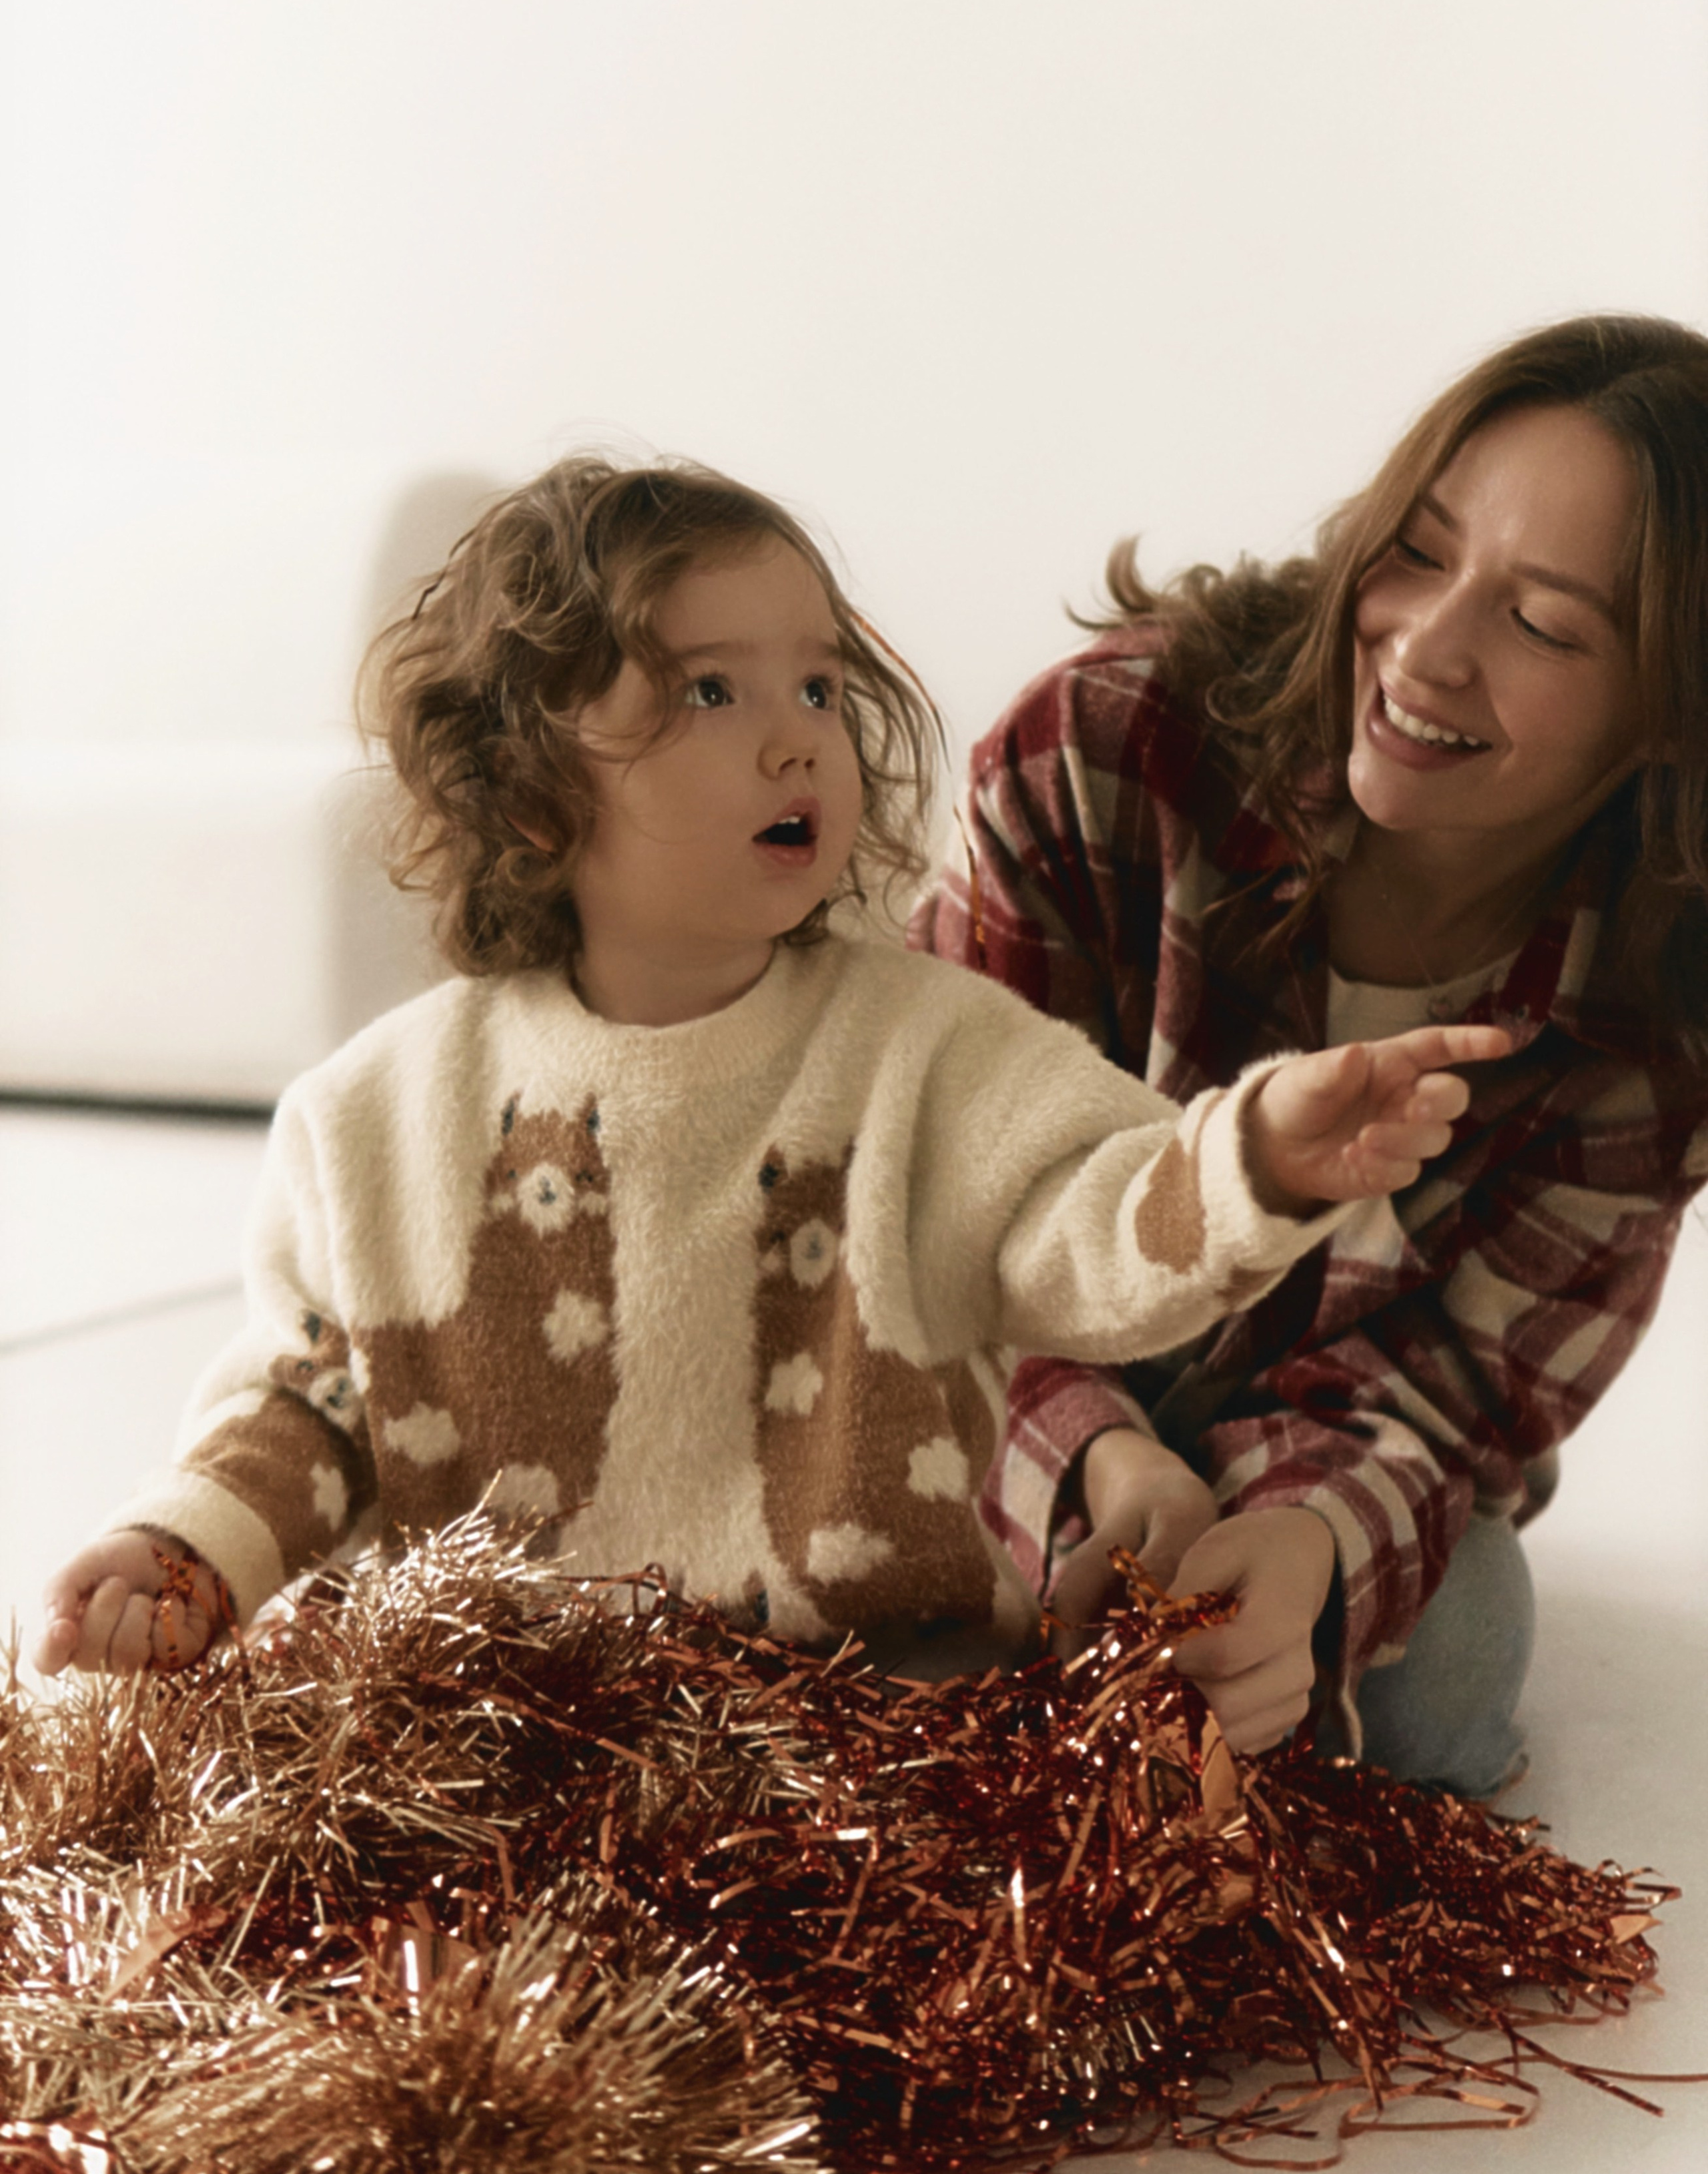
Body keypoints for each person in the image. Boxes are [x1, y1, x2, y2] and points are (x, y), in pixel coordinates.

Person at [34, 457, 1503, 1685]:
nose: (798, 737)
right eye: (712, 694)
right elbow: (310, 1409)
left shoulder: (927, 1047)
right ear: (531, 795)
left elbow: (1091, 1226)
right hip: (505, 1732)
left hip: (873, 1725)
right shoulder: (370, 1120)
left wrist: (1252, 1159)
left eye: (816, 682)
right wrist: (181, 1552)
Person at [911, 313, 1708, 1797]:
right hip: (969, 1360)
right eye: (1415, 550)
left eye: (1540, 626)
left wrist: (1294, 1552)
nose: (1427, 647)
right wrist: (1101, 1464)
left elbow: (1453, 1400)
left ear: (1668, 714)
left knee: (1442, 1688)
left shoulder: (1659, 1010)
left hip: (1324, 1450)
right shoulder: (1103, 752)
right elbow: (924, 1208)